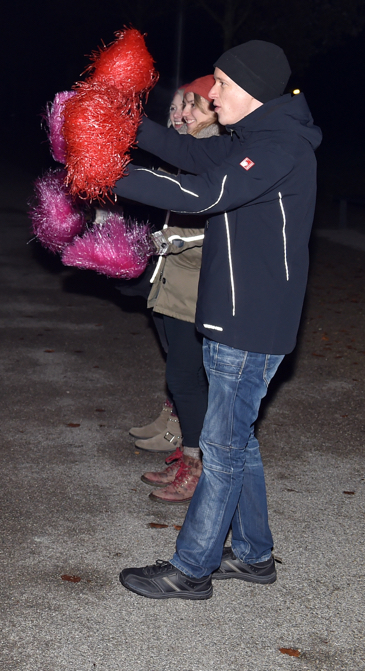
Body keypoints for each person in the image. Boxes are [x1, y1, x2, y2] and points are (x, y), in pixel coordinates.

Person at [114, 41, 320, 599]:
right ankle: (253, 557)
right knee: (237, 442)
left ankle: (192, 569)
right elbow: (200, 159)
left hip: (252, 321)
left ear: (251, 91)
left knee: (223, 449)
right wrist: (126, 129)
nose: (211, 93)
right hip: (234, 314)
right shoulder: (253, 139)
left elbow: (209, 192)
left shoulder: (280, 146)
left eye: (222, 85)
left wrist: (111, 173)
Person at [133, 76, 221, 504]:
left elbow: (226, 224)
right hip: (174, 279)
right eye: (182, 105)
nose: (183, 114)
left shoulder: (213, 153)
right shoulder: (192, 149)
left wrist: (187, 241)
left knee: (187, 378)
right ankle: (189, 456)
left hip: (195, 285)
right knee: (182, 374)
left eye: (194, 107)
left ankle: (198, 466)